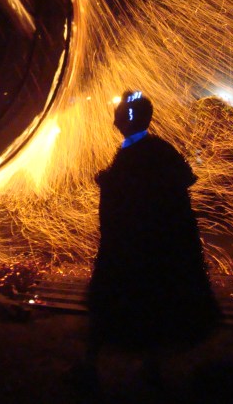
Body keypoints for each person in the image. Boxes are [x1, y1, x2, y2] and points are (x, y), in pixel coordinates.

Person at [77, 89, 220, 390]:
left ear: (129, 119)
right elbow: (182, 180)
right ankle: (148, 367)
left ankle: (93, 367)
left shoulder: (142, 152)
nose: (114, 118)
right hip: (145, 245)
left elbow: (149, 193)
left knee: (115, 300)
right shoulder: (150, 150)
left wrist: (111, 183)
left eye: (119, 113)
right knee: (149, 302)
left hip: (134, 247)